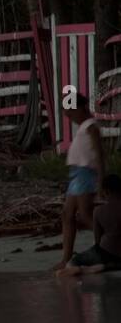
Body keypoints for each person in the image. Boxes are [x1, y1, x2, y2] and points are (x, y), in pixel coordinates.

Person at [56, 105, 107, 271]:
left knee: (85, 214)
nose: (71, 118)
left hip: (86, 174)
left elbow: (99, 154)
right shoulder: (84, 127)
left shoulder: (91, 126)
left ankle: (110, 242)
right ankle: (66, 257)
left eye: (72, 113)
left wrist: (100, 179)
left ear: (82, 109)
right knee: (67, 214)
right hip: (77, 174)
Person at [57, 173, 121, 275]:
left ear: (106, 191)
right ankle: (105, 267)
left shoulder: (99, 211)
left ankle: (94, 268)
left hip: (106, 252)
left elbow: (97, 240)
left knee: (72, 263)